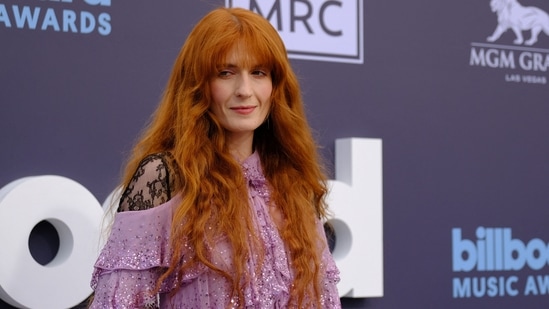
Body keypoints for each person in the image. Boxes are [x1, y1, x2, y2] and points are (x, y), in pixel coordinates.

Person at [89, 7, 341, 308]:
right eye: (226, 73)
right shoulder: (164, 177)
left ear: (276, 86)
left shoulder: (295, 186)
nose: (245, 90)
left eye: (258, 72)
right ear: (199, 84)